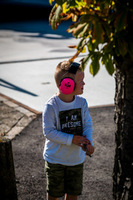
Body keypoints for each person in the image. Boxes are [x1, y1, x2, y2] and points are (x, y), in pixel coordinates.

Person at [42, 60, 94, 200]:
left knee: (72, 194)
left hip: (75, 160)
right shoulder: (51, 106)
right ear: (67, 84)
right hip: (55, 160)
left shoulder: (82, 103)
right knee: (54, 194)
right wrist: (72, 139)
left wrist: (89, 142)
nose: (84, 84)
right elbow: (49, 132)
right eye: (81, 81)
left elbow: (87, 125)